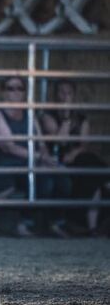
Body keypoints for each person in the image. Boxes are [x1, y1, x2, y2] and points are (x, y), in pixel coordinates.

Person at [0, 76, 55, 236]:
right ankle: (22, 224)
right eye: (11, 88)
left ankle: (48, 224)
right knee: (39, 181)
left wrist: (45, 157)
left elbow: (41, 142)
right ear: (3, 92)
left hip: (31, 162)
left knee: (56, 180)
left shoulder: (29, 113)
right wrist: (39, 158)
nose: (16, 92)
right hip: (7, 162)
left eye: (20, 88)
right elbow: (8, 146)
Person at [40, 79, 108, 236]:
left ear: (74, 95)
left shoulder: (82, 118)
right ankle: (91, 227)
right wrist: (66, 117)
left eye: (69, 92)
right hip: (57, 160)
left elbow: (84, 144)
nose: (65, 96)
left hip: (77, 158)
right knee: (93, 168)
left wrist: (74, 153)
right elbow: (60, 140)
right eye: (62, 92)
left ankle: (92, 228)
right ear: (55, 95)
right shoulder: (48, 115)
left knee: (91, 168)